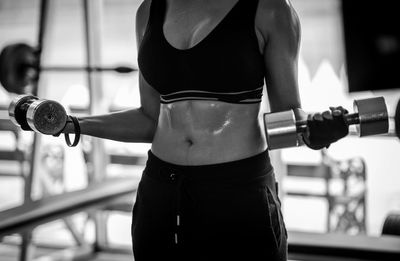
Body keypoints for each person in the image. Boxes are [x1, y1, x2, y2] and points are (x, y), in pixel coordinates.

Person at [62, 0, 348, 260]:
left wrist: (317, 132)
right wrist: (75, 123)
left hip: (237, 193)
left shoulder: (270, 10)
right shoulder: (149, 11)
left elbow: (289, 119)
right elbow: (150, 118)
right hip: (161, 191)